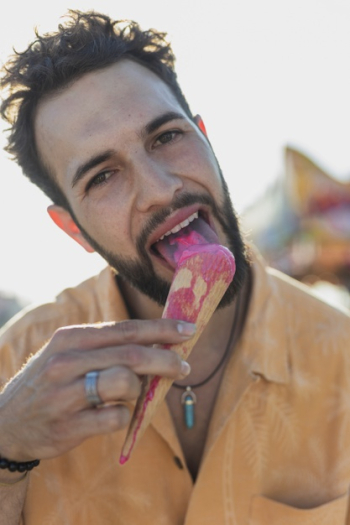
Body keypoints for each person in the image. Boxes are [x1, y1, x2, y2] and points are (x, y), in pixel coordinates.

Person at [0, 10, 349, 525]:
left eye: (166, 137)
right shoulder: (14, 369)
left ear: (205, 137)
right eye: (103, 176)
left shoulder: (341, 360)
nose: (162, 188)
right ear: (73, 230)